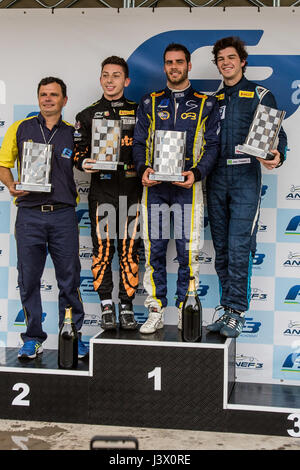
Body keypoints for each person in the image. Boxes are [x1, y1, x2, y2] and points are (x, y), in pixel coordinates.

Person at [133, 43, 220, 334]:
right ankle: (155, 309)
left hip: (186, 188)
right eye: (169, 62)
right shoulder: (149, 102)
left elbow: (212, 146)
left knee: (188, 253)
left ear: (189, 66)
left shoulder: (206, 103)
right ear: (164, 66)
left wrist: (196, 173)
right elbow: (139, 143)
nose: (174, 67)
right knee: (153, 250)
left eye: (179, 62)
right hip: (156, 188)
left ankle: (187, 310)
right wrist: (143, 169)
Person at [0, 77, 89, 359]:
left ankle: (73, 336)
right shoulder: (20, 128)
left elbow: (89, 162)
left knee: (69, 280)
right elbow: (3, 164)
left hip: (63, 215)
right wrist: (11, 185)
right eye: (43, 94)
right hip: (29, 215)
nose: (47, 99)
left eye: (53, 95)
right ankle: (33, 337)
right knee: (28, 280)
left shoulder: (74, 133)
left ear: (65, 100)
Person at [206, 36, 288, 338]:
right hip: (215, 180)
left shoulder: (259, 94)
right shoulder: (212, 101)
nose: (226, 63)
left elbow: (278, 138)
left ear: (243, 61)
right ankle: (227, 309)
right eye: (221, 59)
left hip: (244, 180)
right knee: (223, 250)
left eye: (231, 57)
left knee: (240, 247)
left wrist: (276, 157)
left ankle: (237, 311)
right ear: (217, 64)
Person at [74, 56, 141, 330]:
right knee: (102, 250)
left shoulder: (140, 111)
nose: (110, 80)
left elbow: (149, 149)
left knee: (129, 250)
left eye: (116, 76)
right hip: (102, 191)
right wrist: (82, 162)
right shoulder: (87, 115)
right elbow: (77, 152)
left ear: (126, 81)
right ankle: (105, 305)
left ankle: (126, 305)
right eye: (105, 75)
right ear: (100, 79)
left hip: (132, 191)